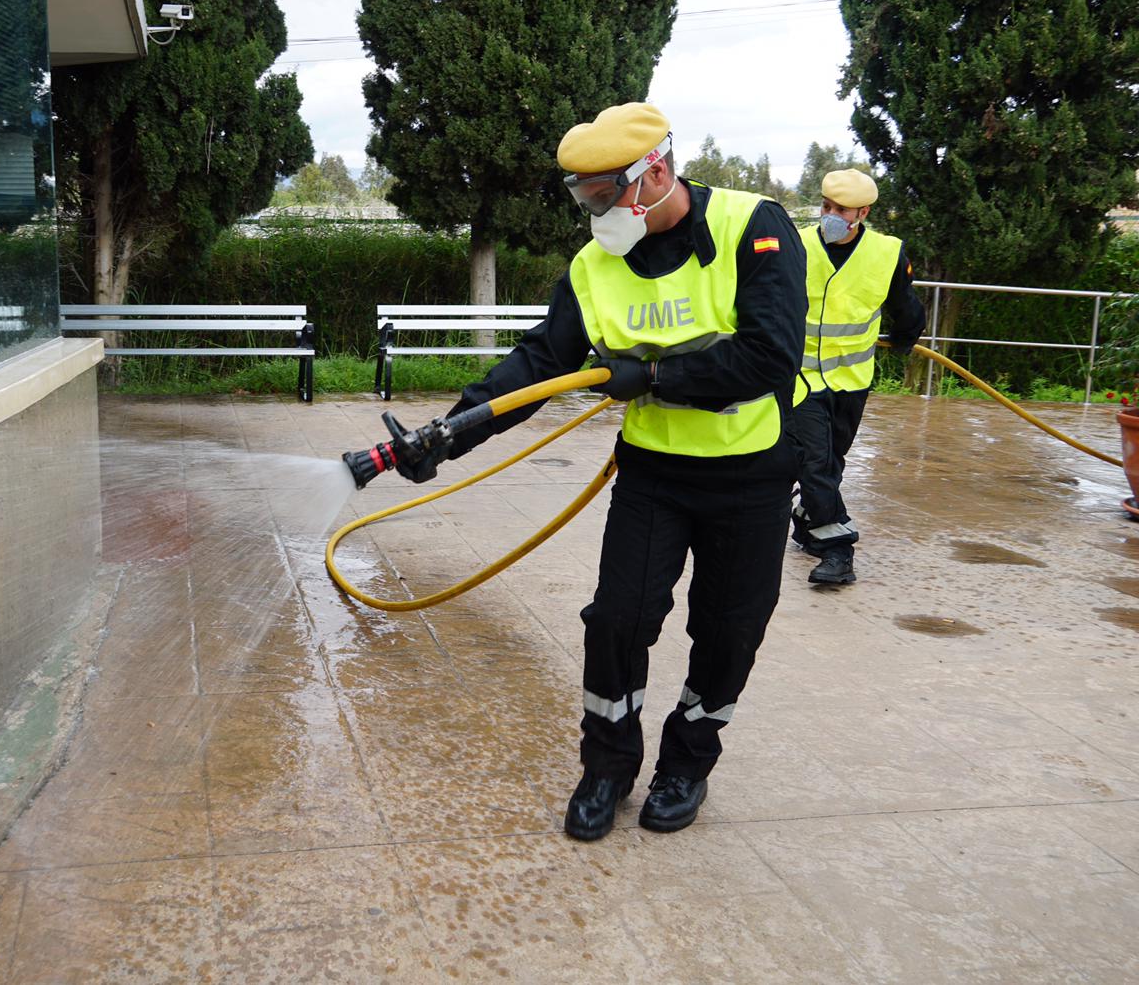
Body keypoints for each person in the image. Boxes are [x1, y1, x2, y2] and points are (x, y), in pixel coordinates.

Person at [394, 103, 805, 839]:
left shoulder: (755, 227)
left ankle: (687, 763)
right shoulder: (594, 267)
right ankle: (608, 765)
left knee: (730, 632)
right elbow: (539, 364)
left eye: (603, 195)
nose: (593, 212)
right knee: (615, 622)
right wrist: (451, 432)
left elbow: (769, 357)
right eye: (581, 198)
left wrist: (647, 377)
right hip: (654, 475)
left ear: (654, 172)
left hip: (752, 478)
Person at [785, 169, 926, 585]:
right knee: (814, 462)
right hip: (800, 378)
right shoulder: (796, 244)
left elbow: (906, 307)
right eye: (826, 206)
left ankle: (808, 517)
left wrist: (903, 339)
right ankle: (837, 549)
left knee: (829, 463)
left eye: (840, 209)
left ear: (862, 212)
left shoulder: (887, 253)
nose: (829, 215)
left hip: (851, 380)